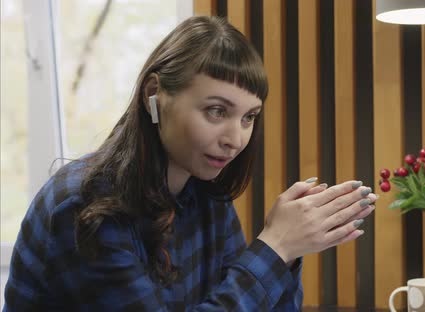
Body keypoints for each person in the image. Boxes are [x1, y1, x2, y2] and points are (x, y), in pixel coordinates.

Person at [3, 16, 376, 311]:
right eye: (217, 111)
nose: (236, 139)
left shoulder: (206, 196)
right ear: (155, 96)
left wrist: (289, 253)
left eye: (249, 118)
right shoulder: (86, 207)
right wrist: (274, 247)